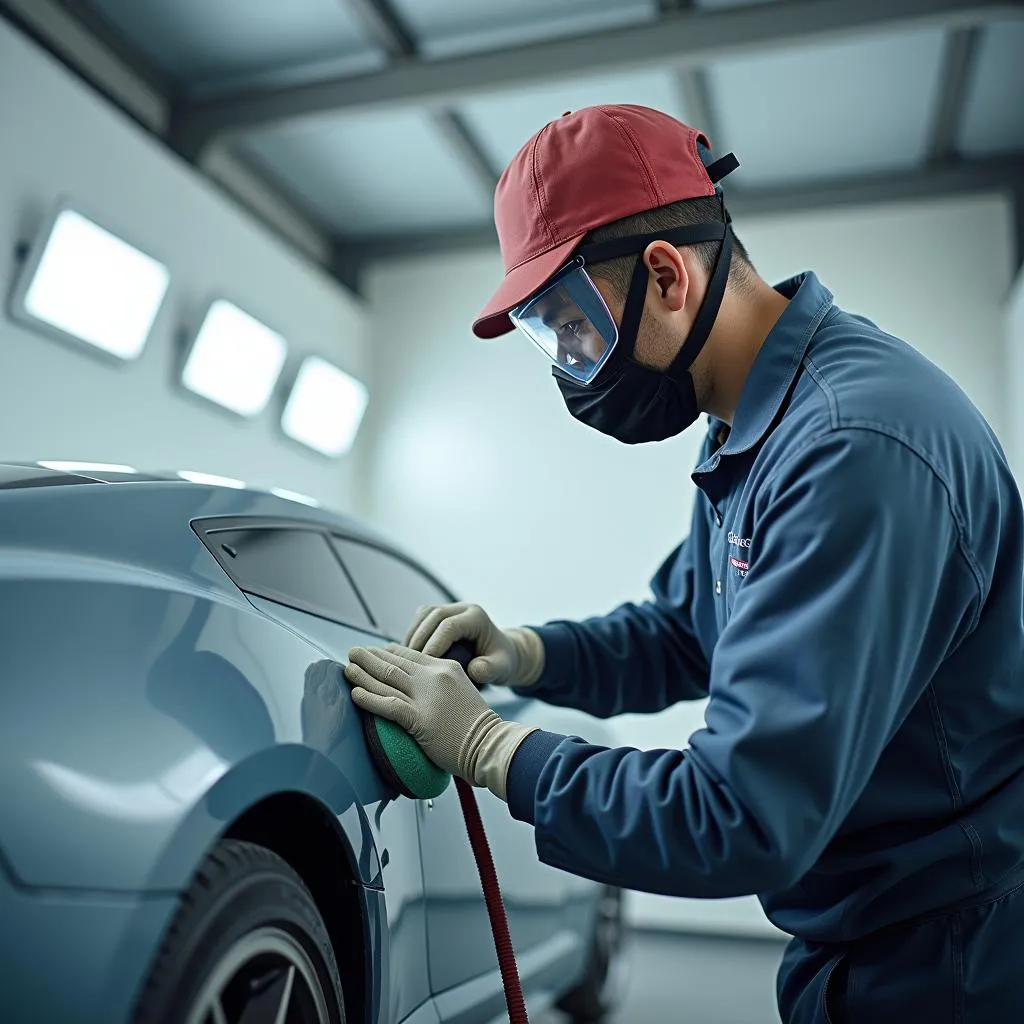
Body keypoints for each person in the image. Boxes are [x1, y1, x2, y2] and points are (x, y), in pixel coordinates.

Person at [343, 104, 1024, 1023]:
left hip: (952, 964)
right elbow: (684, 631)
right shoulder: (753, 422)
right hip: (872, 940)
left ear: (665, 275)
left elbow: (741, 814)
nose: (572, 367)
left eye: (569, 325)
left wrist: (493, 749)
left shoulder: (850, 449)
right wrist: (527, 653)